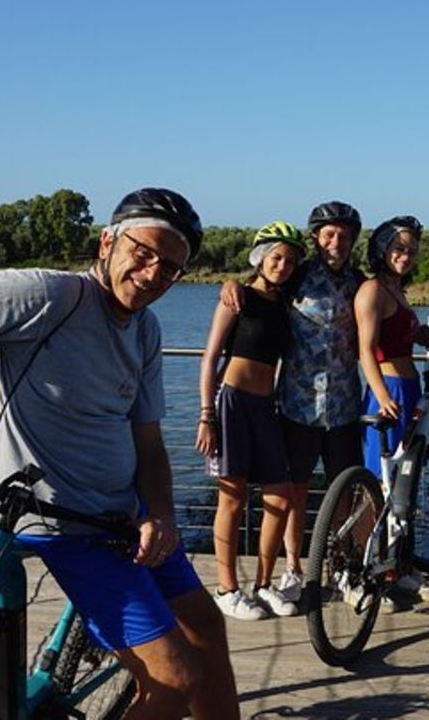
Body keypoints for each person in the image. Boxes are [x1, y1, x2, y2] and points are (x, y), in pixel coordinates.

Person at [0, 188, 240, 719]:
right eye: (143, 254)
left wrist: (164, 515)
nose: (152, 275)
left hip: (126, 514)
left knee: (208, 627)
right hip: (65, 523)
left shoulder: (145, 330)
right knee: (175, 676)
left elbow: (147, 441)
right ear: (108, 242)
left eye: (169, 268)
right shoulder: (52, 296)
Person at [219, 200, 365, 605]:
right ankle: (294, 569)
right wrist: (231, 284)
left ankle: (343, 567)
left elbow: (383, 314)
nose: (337, 241)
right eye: (329, 234)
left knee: (346, 492)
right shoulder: (296, 276)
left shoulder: (358, 281)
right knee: (295, 490)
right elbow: (260, 284)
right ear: (317, 237)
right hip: (297, 403)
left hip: (343, 404)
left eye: (345, 235)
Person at [197, 222, 304, 620]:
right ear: (260, 258)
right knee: (233, 497)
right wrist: (206, 415)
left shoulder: (284, 303)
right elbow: (210, 359)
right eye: (276, 257)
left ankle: (263, 583)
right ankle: (227, 589)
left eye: (290, 261)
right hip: (232, 402)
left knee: (279, 496)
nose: (283, 266)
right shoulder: (236, 297)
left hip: (266, 407)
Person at [354, 215, 429, 606]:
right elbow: (365, 349)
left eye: (411, 250)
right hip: (388, 391)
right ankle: (369, 573)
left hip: (409, 387)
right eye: (398, 248)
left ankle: (400, 567)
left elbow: (407, 335)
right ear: (382, 250)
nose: (406, 256)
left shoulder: (398, 291)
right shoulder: (372, 290)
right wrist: (380, 394)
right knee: (380, 485)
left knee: (404, 485)